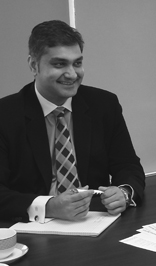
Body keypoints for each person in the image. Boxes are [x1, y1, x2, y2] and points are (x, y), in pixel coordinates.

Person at [0, 20, 145, 223]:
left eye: (77, 63)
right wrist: (48, 206)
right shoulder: (5, 114)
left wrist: (124, 192)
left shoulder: (103, 104)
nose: (72, 74)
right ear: (34, 65)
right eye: (59, 64)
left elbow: (128, 165)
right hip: (32, 229)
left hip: (96, 222)